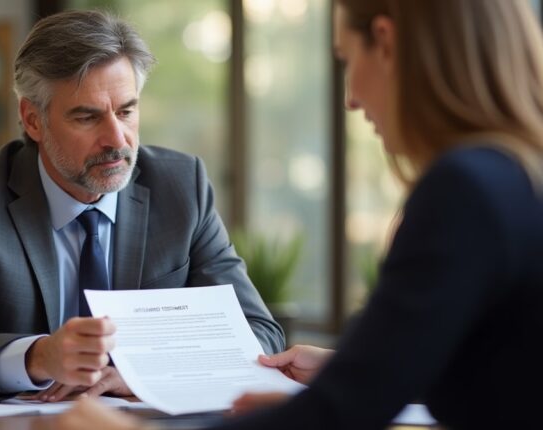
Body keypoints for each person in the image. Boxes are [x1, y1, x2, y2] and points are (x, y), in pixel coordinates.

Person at [54, 0, 543, 428]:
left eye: (346, 60)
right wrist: (348, 369)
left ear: (386, 43)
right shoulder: (517, 178)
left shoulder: (466, 189)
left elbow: (344, 412)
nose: (350, 98)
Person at [0, 9, 285, 402]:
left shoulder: (181, 186)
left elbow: (260, 332)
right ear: (33, 121)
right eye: (87, 117)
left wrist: (139, 374)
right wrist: (38, 358)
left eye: (126, 111)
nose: (116, 139)